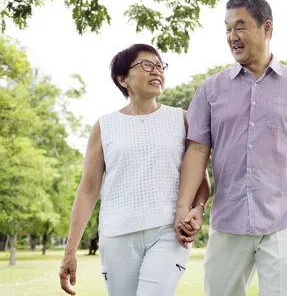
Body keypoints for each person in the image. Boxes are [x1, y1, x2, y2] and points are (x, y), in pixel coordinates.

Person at [175, 0, 287, 296]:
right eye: (227, 28)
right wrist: (185, 207)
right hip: (229, 215)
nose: (232, 36)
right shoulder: (210, 89)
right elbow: (196, 152)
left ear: (266, 28)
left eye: (241, 27)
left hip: (284, 215)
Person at [59, 43, 210, 295]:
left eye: (160, 66)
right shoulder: (104, 126)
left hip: (168, 233)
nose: (156, 71)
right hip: (116, 236)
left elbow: (200, 179)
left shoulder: (182, 119)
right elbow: (88, 190)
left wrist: (198, 208)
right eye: (146, 65)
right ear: (123, 79)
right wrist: (70, 251)